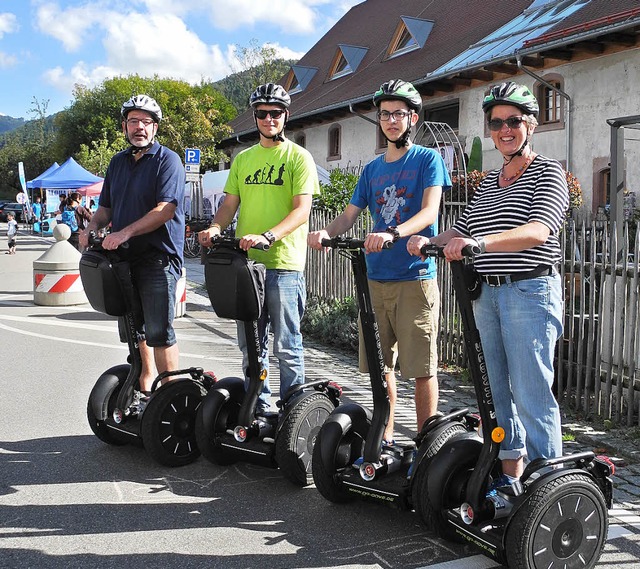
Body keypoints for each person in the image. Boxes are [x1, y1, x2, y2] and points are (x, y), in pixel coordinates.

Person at [407, 81, 568, 489]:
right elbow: (460, 228)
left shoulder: (549, 172)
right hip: (487, 295)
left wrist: (480, 243)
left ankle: (547, 484)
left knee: (532, 395)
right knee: (495, 394)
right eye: (496, 123)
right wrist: (430, 240)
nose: (504, 129)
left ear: (530, 124)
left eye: (513, 121)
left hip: (529, 293)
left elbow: (539, 230)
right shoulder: (488, 182)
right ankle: (510, 480)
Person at [308, 80, 451, 443]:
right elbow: (349, 215)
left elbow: (430, 212)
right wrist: (325, 233)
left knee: (421, 367)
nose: (391, 121)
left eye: (398, 114)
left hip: (414, 278)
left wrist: (394, 233)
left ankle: (425, 444)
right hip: (376, 278)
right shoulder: (372, 170)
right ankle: (382, 437)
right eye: (385, 114)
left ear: (412, 118)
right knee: (379, 366)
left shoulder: (427, 159)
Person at [198, 83, 319, 414]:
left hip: (283, 264)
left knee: (287, 345)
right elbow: (229, 204)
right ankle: (259, 406)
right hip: (247, 266)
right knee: (251, 343)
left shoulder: (299, 157)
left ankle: (294, 413)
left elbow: (301, 210)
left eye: (275, 113)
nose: (269, 119)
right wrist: (214, 227)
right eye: (262, 114)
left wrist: (269, 235)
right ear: (255, 117)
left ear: (285, 116)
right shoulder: (244, 158)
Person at [80, 94, 185, 395]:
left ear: (155, 128)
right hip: (124, 259)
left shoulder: (168, 160)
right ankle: (144, 386)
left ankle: (171, 396)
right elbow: (106, 209)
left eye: (146, 122)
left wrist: (124, 233)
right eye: (134, 121)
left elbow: (166, 209)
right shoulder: (117, 162)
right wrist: (92, 227)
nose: (140, 127)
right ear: (125, 126)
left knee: (159, 332)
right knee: (134, 329)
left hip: (158, 258)